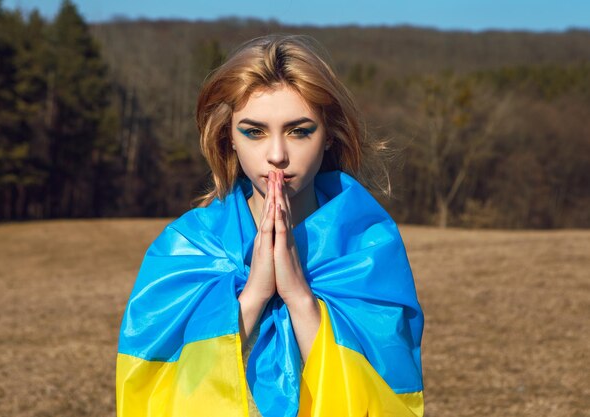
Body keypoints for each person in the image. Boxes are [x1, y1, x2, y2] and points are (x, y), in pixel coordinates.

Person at [116, 33, 424, 417]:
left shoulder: (367, 248)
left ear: (329, 135)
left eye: (300, 131)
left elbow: (383, 400)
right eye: (254, 131)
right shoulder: (187, 247)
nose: (277, 155)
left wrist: (299, 298)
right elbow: (158, 391)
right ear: (228, 135)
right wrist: (253, 297)